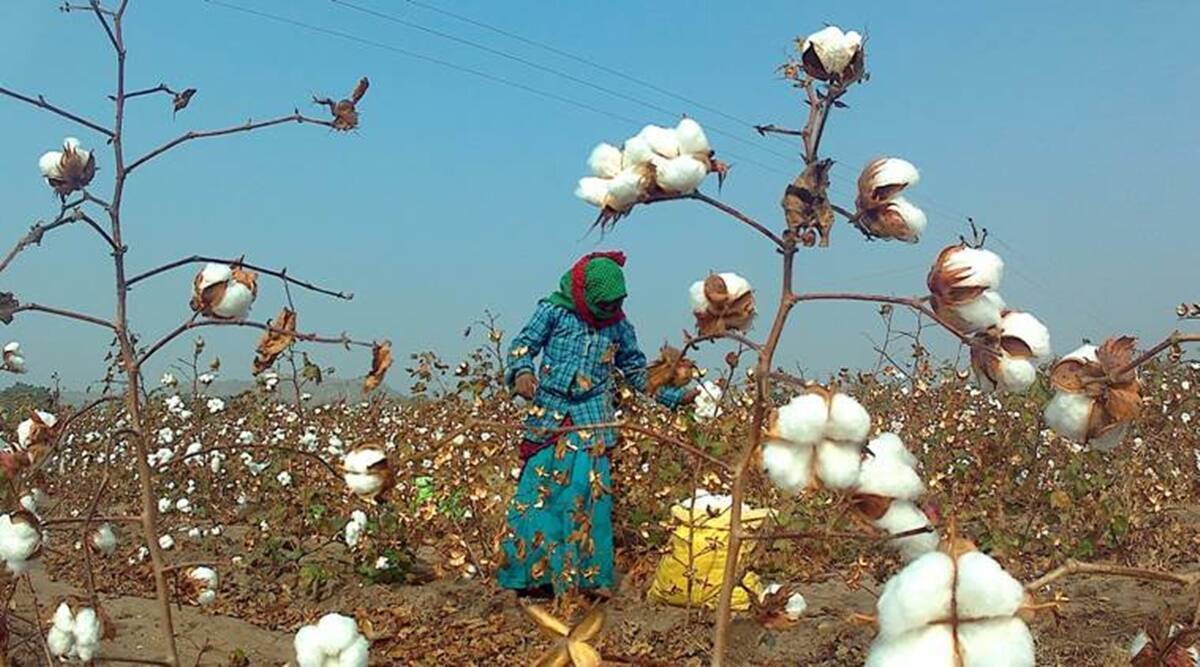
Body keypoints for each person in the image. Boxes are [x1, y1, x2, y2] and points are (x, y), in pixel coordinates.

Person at [497, 251, 696, 597]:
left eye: (615, 304)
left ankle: (586, 580)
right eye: (603, 304)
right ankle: (527, 577)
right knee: (537, 496)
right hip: (550, 418)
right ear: (583, 293)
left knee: (587, 495)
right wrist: (524, 374)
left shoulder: (619, 327)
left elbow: (636, 373)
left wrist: (675, 399)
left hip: (593, 423)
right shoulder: (553, 311)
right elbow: (521, 347)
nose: (609, 310)